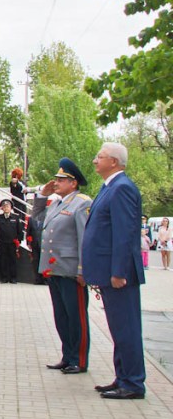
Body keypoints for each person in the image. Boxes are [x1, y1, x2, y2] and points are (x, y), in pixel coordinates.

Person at [83, 142, 147, 399]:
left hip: (119, 275)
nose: (95, 161)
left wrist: (119, 271)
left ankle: (132, 383)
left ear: (114, 161)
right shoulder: (109, 187)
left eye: (100, 156)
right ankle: (123, 377)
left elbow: (125, 234)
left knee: (126, 328)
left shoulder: (122, 189)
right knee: (119, 329)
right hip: (109, 272)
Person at [33, 158, 92, 375]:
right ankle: (67, 356)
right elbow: (36, 218)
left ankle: (80, 359)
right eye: (56, 179)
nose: (55, 183)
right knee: (61, 316)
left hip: (70, 270)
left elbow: (84, 238)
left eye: (61, 179)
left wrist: (82, 270)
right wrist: (42, 195)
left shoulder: (82, 203)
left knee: (76, 316)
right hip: (53, 269)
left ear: (73, 183)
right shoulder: (56, 203)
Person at [0, 199, 24, 283]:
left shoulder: (16, 217)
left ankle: (13, 278)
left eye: (8, 206)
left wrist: (19, 241)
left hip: (13, 243)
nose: (6, 208)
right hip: (2, 242)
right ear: (2, 208)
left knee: (13, 260)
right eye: (4, 207)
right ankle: (4, 277)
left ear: (11, 208)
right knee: (3, 260)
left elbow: (20, 230)